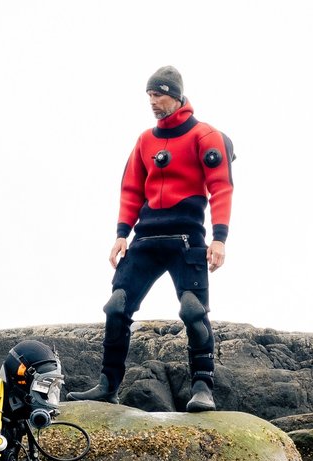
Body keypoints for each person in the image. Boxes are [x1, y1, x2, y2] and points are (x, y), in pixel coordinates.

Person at [67, 65, 235, 413]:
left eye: (157, 95)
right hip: (146, 236)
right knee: (116, 306)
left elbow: (221, 186)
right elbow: (130, 189)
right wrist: (120, 234)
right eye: (149, 96)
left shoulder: (205, 136)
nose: (152, 102)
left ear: (175, 95)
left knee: (193, 311)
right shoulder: (145, 140)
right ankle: (108, 385)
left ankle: (203, 387)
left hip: (186, 237)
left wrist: (219, 239)